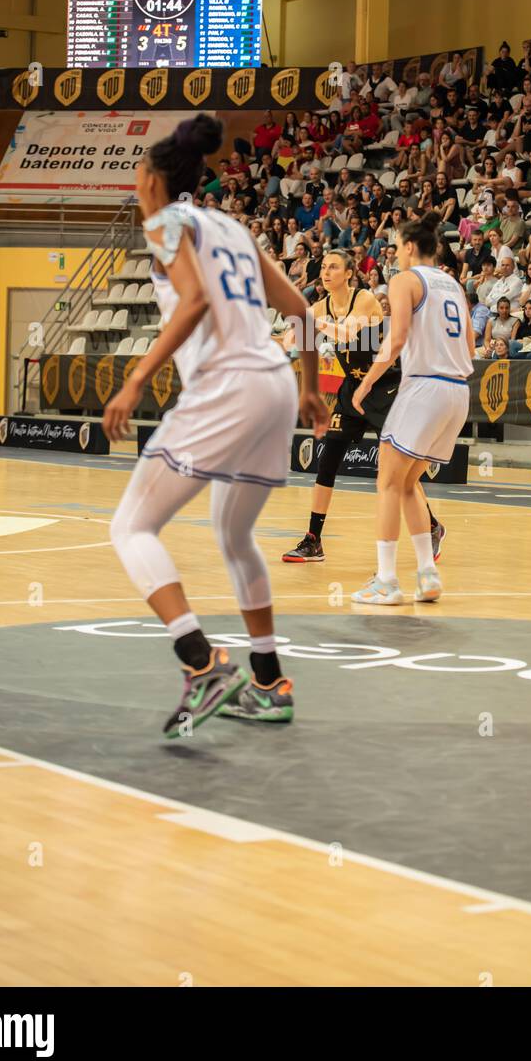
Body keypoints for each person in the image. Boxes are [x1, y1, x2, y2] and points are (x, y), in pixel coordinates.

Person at [103, 115, 330, 733]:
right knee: (233, 537)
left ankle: (202, 666)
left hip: (227, 388)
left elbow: (197, 298)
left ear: (152, 179)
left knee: (131, 527)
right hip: (275, 386)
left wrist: (135, 378)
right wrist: (309, 387)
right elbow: (303, 309)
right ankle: (269, 681)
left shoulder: (163, 223)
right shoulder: (230, 226)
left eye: (136, 175)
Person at [281, 249, 445, 564]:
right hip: (353, 389)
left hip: (386, 388)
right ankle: (313, 539)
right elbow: (292, 338)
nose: (326, 272)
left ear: (349, 273)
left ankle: (432, 526)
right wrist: (286, 337)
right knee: (327, 458)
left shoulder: (365, 299)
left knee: (400, 467)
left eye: (333, 267)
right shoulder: (319, 307)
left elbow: (348, 332)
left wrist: (314, 323)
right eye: (324, 267)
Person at [350, 212, 473, 606]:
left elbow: (398, 336)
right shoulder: (453, 284)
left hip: (425, 387)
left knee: (386, 482)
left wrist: (367, 380)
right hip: (458, 391)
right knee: (406, 484)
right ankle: (427, 574)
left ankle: (386, 581)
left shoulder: (404, 280)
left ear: (407, 247)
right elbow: (471, 346)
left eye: (396, 246)